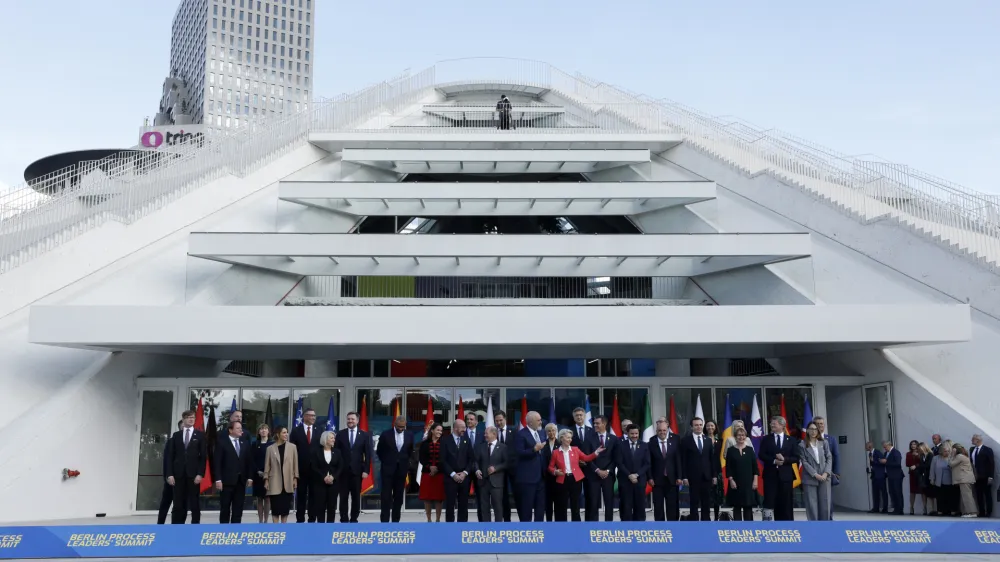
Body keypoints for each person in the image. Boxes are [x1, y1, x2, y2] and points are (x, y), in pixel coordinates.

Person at [548, 428, 604, 522]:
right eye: (568, 438)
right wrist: (555, 472)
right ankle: (561, 526)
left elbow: (586, 458)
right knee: (562, 504)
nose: (570, 439)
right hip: (562, 479)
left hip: (575, 479)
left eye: (571, 438)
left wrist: (596, 452)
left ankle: (576, 526)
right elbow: (550, 467)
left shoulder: (575, 449)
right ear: (561, 438)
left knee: (575, 504)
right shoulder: (555, 452)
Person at [165, 410, 207, 524]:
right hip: (178, 474)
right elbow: (170, 456)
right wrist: (170, 474)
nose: (191, 419)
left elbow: (203, 457)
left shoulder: (200, 435)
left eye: (193, 417)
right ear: (183, 419)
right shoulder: (176, 435)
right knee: (178, 503)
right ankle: (177, 527)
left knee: (194, 502)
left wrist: (200, 473)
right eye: (188, 417)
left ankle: (195, 526)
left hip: (193, 475)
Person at [335, 411, 373, 523]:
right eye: (348, 419)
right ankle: (344, 518)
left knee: (356, 497)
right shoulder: (340, 434)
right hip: (343, 471)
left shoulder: (365, 435)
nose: (350, 421)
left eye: (352, 419)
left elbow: (368, 454)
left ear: (357, 421)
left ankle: (354, 518)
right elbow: (336, 453)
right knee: (343, 497)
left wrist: (366, 470)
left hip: (358, 472)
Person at [214, 420, 254, 524]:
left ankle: (236, 530)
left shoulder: (244, 443)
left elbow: (249, 461)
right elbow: (217, 462)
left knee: (238, 509)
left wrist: (250, 477)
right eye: (238, 428)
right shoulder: (222, 442)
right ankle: (224, 531)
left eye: (241, 428)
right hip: (226, 482)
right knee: (225, 508)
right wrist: (218, 479)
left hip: (240, 482)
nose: (241, 430)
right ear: (230, 430)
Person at [759, 416, 797, 521]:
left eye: (774, 424)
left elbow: (796, 457)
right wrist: (773, 461)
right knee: (770, 502)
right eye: (771, 423)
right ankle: (770, 527)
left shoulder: (791, 440)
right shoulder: (766, 439)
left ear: (782, 426)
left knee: (786, 504)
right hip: (770, 476)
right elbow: (761, 454)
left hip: (786, 477)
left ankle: (787, 526)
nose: (771, 425)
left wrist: (785, 459)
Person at [376, 415, 413, 523]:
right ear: (394, 424)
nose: (401, 429)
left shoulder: (409, 435)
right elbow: (379, 451)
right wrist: (387, 461)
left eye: (403, 427)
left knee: (398, 497)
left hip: (401, 471)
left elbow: (410, 451)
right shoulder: (386, 434)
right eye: (399, 426)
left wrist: (404, 462)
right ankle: (384, 521)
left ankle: (396, 521)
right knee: (386, 497)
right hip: (387, 470)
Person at [680, 417, 718, 521]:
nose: (699, 427)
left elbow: (712, 459)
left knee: (706, 501)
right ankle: (694, 523)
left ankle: (706, 522)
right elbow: (683, 460)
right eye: (696, 425)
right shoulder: (685, 441)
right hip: (692, 477)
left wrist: (714, 475)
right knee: (694, 501)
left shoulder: (708, 440)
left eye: (700, 425)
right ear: (692, 427)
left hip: (706, 476)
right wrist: (684, 476)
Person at [289, 408, 322, 523]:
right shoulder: (296, 431)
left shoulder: (319, 430)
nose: (313, 418)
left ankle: (312, 520)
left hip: (315, 470)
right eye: (311, 415)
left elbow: (322, 450)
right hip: (300, 469)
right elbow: (291, 451)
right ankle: (300, 520)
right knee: (301, 496)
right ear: (304, 417)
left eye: (314, 416)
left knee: (314, 496)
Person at [584, 415, 618, 522]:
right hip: (593, 475)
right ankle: (594, 527)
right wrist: (597, 470)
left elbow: (616, 458)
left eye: (597, 423)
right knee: (593, 503)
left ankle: (608, 526)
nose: (595, 425)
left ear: (604, 424)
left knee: (609, 503)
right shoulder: (589, 438)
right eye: (594, 423)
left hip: (608, 476)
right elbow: (587, 457)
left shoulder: (613, 439)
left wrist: (607, 471)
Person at [514, 411, 547, 522]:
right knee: (526, 509)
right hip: (527, 479)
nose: (540, 422)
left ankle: (539, 531)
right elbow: (519, 453)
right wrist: (534, 449)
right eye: (538, 420)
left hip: (541, 477)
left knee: (540, 508)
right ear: (531, 422)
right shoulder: (521, 434)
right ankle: (527, 532)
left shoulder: (542, 433)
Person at [798, 421, 832, 521]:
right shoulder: (802, 445)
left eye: (815, 429)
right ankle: (814, 528)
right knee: (812, 505)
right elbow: (804, 462)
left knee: (825, 503)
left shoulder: (824, 442)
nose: (813, 431)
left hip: (824, 477)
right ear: (807, 431)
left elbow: (829, 458)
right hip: (810, 478)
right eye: (811, 429)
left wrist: (826, 473)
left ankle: (824, 528)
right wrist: (815, 474)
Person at [263, 425, 298, 523]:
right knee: (275, 510)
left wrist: (295, 478)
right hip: (274, 482)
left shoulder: (292, 447)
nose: (286, 434)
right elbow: (267, 466)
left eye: (286, 432)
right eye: (284, 432)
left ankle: (283, 529)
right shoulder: (270, 449)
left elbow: (295, 464)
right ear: (278, 434)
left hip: (288, 482)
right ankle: (276, 530)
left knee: (285, 510)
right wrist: (266, 480)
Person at [649, 420, 682, 521]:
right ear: (656, 430)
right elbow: (649, 462)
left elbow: (678, 460)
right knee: (658, 507)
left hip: (672, 479)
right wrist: (650, 477)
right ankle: (660, 528)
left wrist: (679, 476)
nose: (662, 432)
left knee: (672, 506)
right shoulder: (651, 441)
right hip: (657, 480)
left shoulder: (675, 440)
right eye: (660, 430)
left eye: (664, 430)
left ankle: (673, 528)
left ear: (667, 429)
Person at [442, 418, 474, 522]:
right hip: (450, 478)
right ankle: (450, 529)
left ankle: (462, 527)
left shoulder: (467, 440)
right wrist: (453, 474)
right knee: (450, 504)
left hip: (464, 478)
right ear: (455, 428)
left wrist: (465, 473)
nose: (465, 429)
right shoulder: (445, 440)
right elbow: (442, 461)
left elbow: (471, 459)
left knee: (463, 504)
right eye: (463, 427)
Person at [616, 424, 650, 521]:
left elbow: (647, 463)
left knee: (639, 506)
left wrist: (637, 474)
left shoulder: (644, 445)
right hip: (625, 480)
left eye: (636, 433)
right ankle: (626, 528)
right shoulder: (620, 445)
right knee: (626, 506)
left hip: (640, 481)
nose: (634, 436)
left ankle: (639, 528)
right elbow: (619, 462)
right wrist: (629, 475)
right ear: (627, 433)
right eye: (632, 434)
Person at [725, 427, 759, 521]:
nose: (741, 437)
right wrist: (731, 480)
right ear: (735, 437)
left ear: (746, 437)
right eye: (739, 435)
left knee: (748, 506)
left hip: (748, 482)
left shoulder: (750, 450)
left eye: (743, 435)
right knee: (737, 507)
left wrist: (755, 481)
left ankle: (749, 529)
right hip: (735, 482)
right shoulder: (731, 450)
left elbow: (755, 468)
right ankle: (738, 528)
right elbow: (728, 467)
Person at [475, 426, 508, 522]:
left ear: (494, 434)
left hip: (496, 482)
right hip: (483, 481)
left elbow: (506, 463)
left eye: (486, 433)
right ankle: (486, 527)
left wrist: (496, 468)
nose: (484, 435)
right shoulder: (480, 447)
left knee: (497, 506)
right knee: (484, 507)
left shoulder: (503, 447)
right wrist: (477, 470)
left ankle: (497, 527)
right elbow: (475, 461)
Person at [310, 431, 342, 523]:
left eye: (334, 438)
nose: (334, 440)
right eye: (331, 438)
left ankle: (330, 528)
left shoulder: (337, 452)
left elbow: (340, 466)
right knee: (320, 507)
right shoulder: (316, 452)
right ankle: (321, 528)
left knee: (331, 507)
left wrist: (333, 477)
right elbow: (314, 467)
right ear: (325, 439)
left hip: (333, 484)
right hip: (320, 483)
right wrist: (324, 477)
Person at [570, 407, 595, 518]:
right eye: (577, 415)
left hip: (590, 468)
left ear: (584, 416)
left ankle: (589, 521)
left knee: (590, 496)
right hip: (575, 468)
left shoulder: (592, 431)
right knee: (575, 497)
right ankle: (576, 521)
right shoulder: (569, 431)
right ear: (574, 417)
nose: (579, 417)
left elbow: (595, 449)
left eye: (581, 415)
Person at [157, 420, 183, 525]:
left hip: (184, 479)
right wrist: (168, 476)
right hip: (171, 478)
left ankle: (177, 526)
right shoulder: (172, 441)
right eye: (183, 427)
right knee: (166, 502)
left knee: (179, 505)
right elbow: (167, 460)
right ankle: (160, 524)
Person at [418, 422, 446, 522]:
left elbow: (446, 458)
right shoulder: (424, 443)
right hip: (427, 473)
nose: (440, 432)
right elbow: (421, 458)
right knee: (427, 498)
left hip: (440, 474)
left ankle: (438, 519)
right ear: (432, 430)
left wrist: (437, 468)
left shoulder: (444, 443)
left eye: (441, 430)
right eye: (438, 430)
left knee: (439, 498)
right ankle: (429, 519)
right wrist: (430, 467)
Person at [813, 416, 840, 519]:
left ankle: (829, 518)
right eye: (818, 424)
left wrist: (837, 472)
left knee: (827, 498)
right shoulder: (809, 440)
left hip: (827, 474)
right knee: (815, 499)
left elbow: (836, 455)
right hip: (814, 474)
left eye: (822, 424)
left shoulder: (831, 439)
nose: (820, 426)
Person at [494, 411, 517, 522]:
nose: (498, 422)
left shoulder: (514, 431)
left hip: (513, 469)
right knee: (502, 496)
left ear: (505, 419)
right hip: (498, 469)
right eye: (497, 421)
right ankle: (505, 519)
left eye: (500, 420)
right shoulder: (493, 433)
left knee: (516, 494)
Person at [949, 444, 978, 518]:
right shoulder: (963, 456)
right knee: (964, 496)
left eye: (952, 449)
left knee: (967, 496)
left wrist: (952, 455)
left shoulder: (960, 456)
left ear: (955, 449)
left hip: (964, 479)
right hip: (964, 479)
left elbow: (951, 464)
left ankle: (972, 512)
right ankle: (966, 512)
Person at [251, 424, 272, 523]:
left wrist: (267, 473)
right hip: (257, 474)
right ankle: (260, 520)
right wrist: (257, 471)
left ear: (268, 431)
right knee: (259, 498)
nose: (263, 431)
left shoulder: (272, 444)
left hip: (269, 475)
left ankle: (266, 521)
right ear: (259, 432)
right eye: (261, 429)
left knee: (267, 498)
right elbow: (251, 460)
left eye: (265, 429)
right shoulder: (254, 444)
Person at [463, 412, 483, 521]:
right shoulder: (462, 434)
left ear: (476, 422)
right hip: (465, 470)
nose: (469, 421)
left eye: (471, 419)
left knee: (480, 497)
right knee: (464, 498)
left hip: (478, 470)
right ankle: (463, 522)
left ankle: (481, 521)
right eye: (468, 419)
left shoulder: (482, 435)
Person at [970, 434, 995, 518]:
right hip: (976, 476)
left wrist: (991, 476)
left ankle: (989, 511)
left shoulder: (987, 450)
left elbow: (991, 463)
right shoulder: (972, 449)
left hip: (985, 476)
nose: (971, 441)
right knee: (979, 495)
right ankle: (981, 512)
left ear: (978, 440)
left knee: (987, 494)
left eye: (973, 439)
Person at [929, 440, 956, 516]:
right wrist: (932, 479)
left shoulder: (952, 458)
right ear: (941, 451)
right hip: (939, 481)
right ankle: (940, 511)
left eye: (948, 451)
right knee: (940, 497)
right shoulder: (935, 458)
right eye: (944, 451)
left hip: (951, 480)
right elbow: (932, 469)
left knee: (951, 497)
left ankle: (952, 511)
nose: (946, 453)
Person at [704, 420, 723, 521]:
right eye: (708, 426)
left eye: (712, 426)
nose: (710, 428)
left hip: (717, 469)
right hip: (706, 470)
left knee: (716, 496)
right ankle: (706, 518)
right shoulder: (702, 439)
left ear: (715, 427)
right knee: (706, 495)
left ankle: (716, 517)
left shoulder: (720, 440)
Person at [540, 423, 559, 521]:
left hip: (559, 477)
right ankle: (548, 522)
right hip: (546, 478)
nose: (551, 433)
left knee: (558, 502)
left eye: (553, 430)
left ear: (556, 431)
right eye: (549, 431)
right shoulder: (543, 444)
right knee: (548, 502)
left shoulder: (561, 444)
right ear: (546, 432)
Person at [882, 440, 905, 515]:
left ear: (889, 445)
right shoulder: (886, 453)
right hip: (890, 475)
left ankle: (900, 509)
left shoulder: (896, 452)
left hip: (897, 475)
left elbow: (898, 464)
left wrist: (886, 462)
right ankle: (895, 508)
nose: (884, 448)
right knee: (892, 492)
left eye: (885, 447)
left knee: (897, 492)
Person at [867, 441, 888, 513]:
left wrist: (874, 461)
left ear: (870, 446)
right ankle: (876, 508)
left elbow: (883, 462)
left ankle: (885, 508)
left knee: (883, 492)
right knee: (875, 492)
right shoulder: (869, 453)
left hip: (880, 475)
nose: (865, 447)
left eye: (866, 446)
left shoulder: (877, 452)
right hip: (874, 475)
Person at [905, 440, 925, 515]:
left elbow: (923, 463)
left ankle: (924, 508)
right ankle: (911, 507)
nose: (913, 446)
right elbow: (907, 464)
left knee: (922, 491)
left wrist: (916, 465)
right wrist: (912, 466)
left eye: (914, 444)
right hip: (912, 474)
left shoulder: (921, 453)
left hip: (920, 474)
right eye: (911, 444)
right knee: (912, 491)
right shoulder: (908, 454)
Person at [917, 442, 934, 515]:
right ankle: (928, 509)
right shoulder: (922, 456)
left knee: (931, 493)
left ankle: (933, 509)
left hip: (929, 476)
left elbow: (928, 465)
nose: (919, 450)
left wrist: (918, 466)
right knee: (925, 492)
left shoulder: (930, 455)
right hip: (924, 477)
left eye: (920, 448)